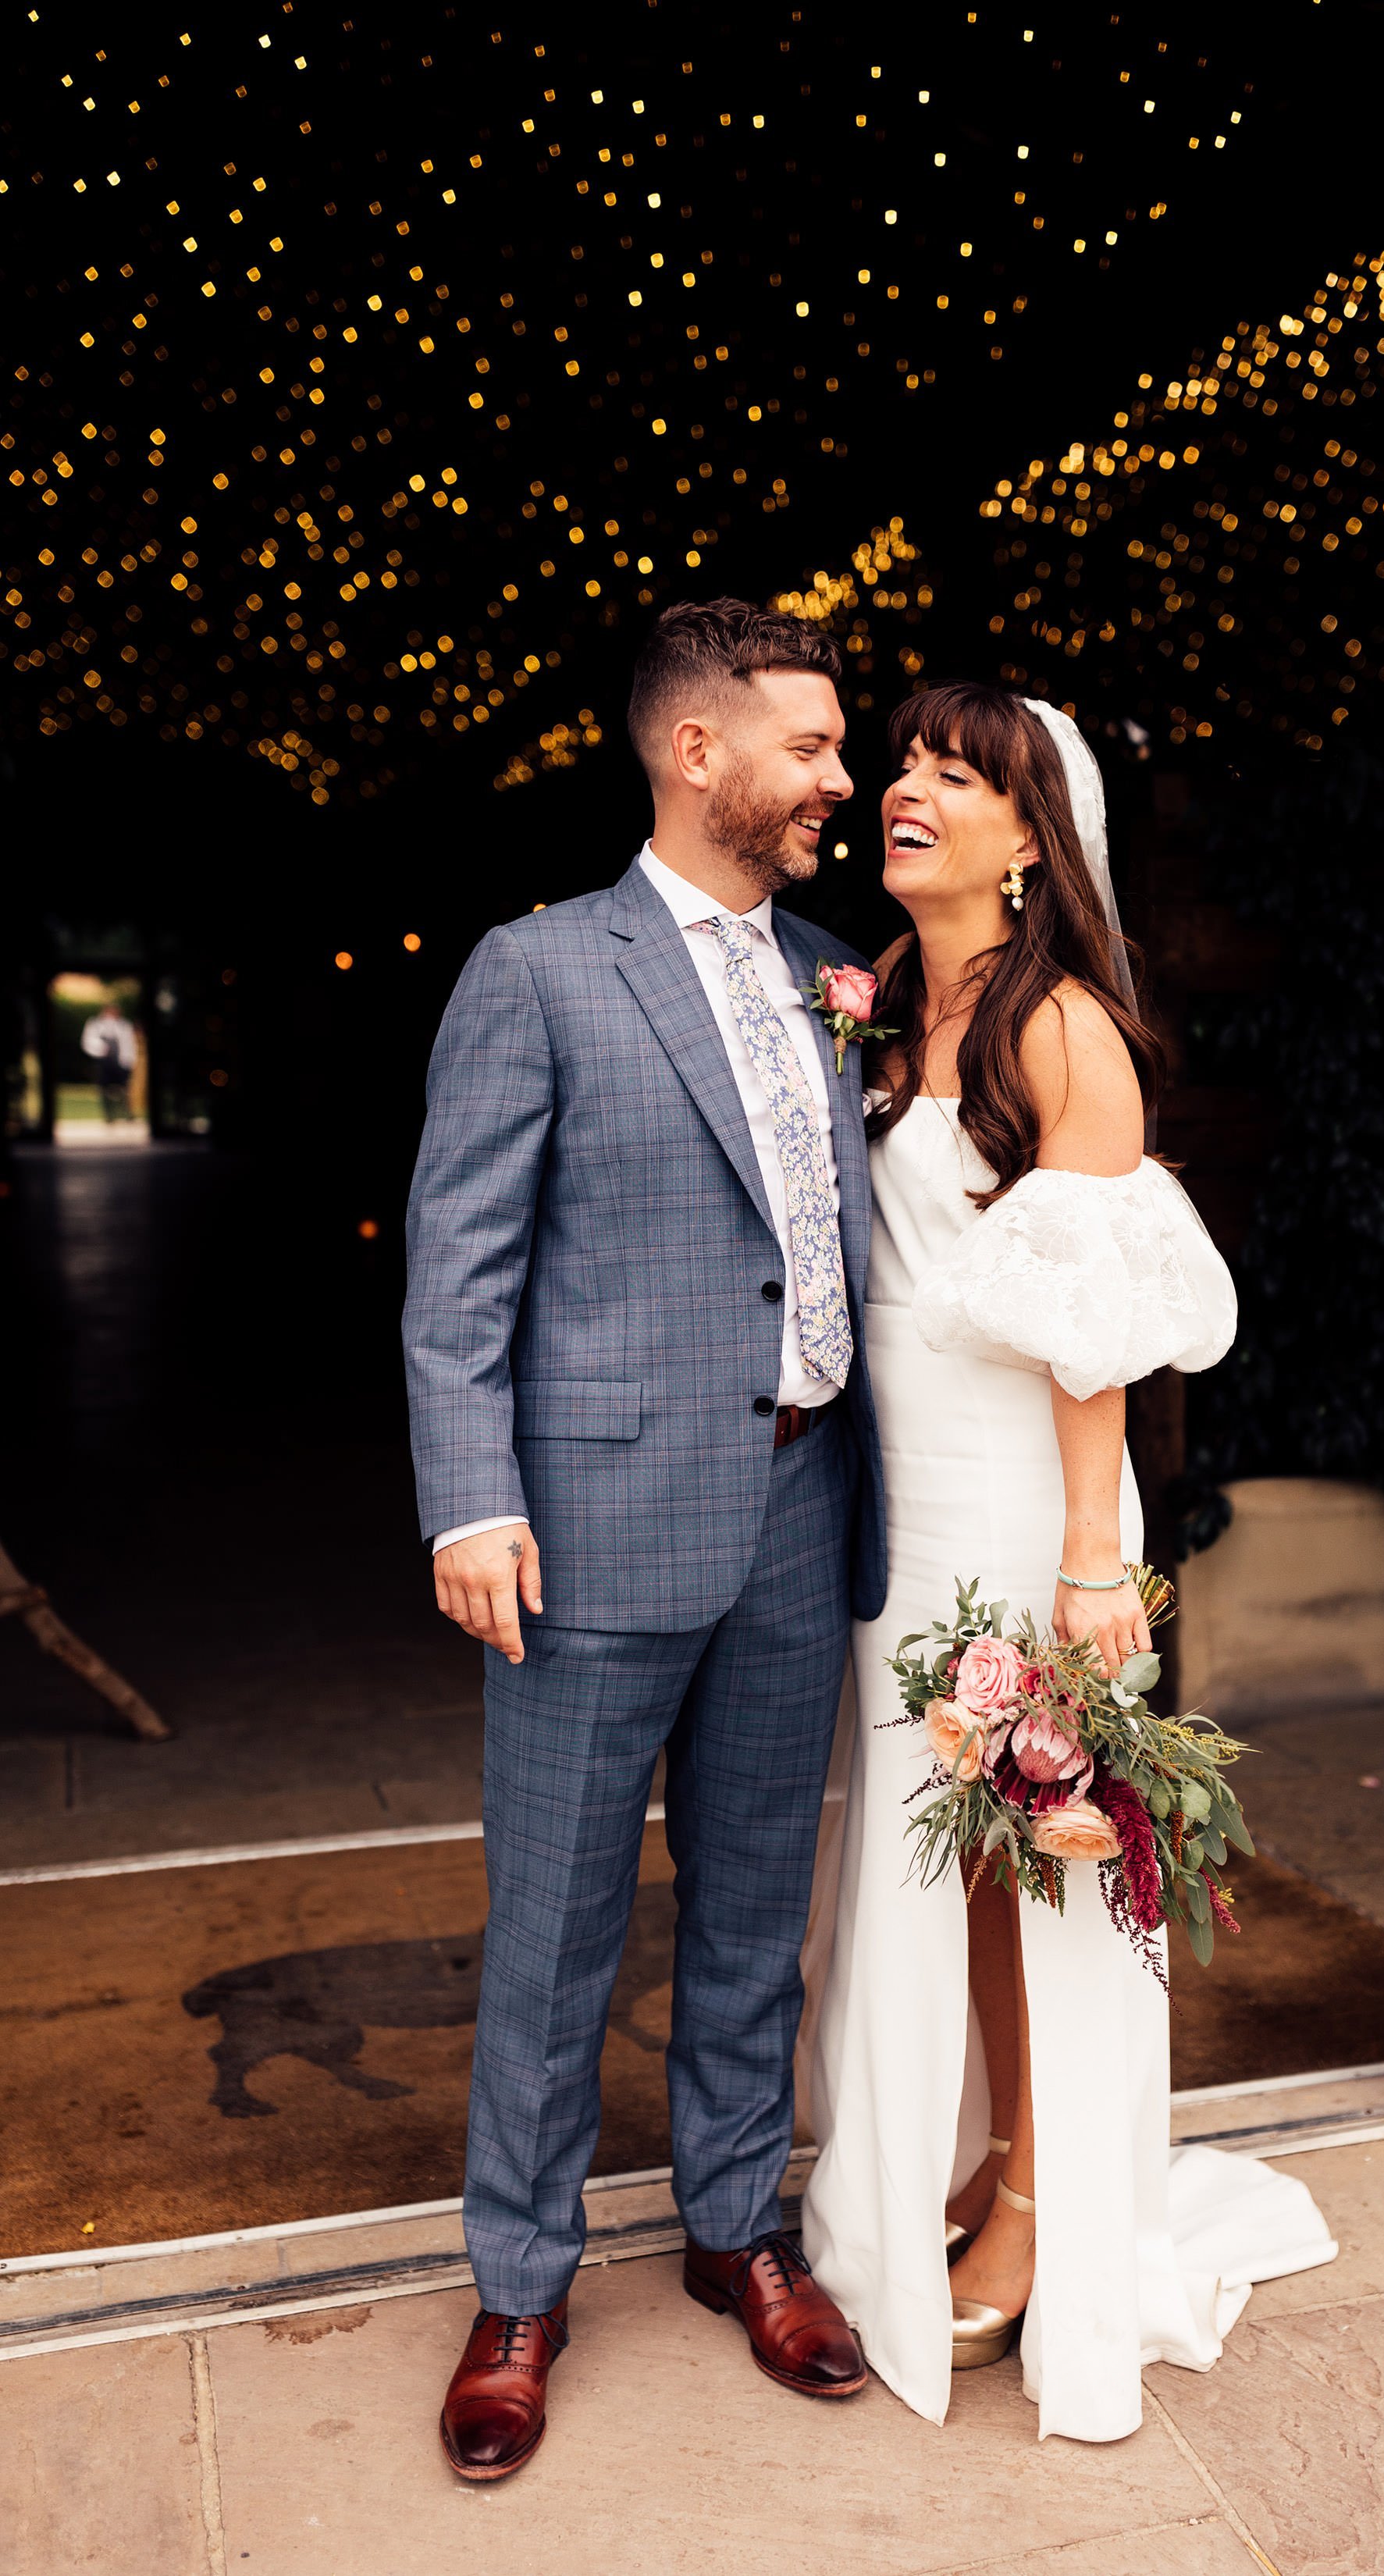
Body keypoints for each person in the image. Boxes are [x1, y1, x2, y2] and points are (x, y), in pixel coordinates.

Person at [800, 684, 1336, 2445]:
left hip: (1022, 1511)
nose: (908, 788)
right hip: (896, 1504)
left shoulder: (1062, 1030)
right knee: (939, 1865)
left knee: (1036, 1865)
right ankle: (970, 2157)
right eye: (904, 764)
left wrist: (1095, 1562)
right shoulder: (881, 992)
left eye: (959, 776)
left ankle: (1045, 2210)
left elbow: (1091, 1331)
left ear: (1033, 838)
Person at [403, 598, 888, 2482]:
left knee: (759, 1909)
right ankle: (519, 2286)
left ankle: (735, 2230)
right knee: (555, 1936)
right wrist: (471, 1491)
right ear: (699, 755)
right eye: (814, 746)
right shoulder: (538, 971)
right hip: (591, 1527)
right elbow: (461, 1266)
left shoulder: (838, 968)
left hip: (800, 1505)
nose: (839, 778)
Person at [80, 1000, 137, 1123]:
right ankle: (109, 1116)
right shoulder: (95, 1024)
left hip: (120, 1061)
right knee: (104, 1089)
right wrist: (101, 1049)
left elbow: (130, 1045)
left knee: (124, 1088)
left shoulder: (124, 1025)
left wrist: (130, 1061)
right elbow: (87, 1042)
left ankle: (126, 1113)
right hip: (104, 1061)